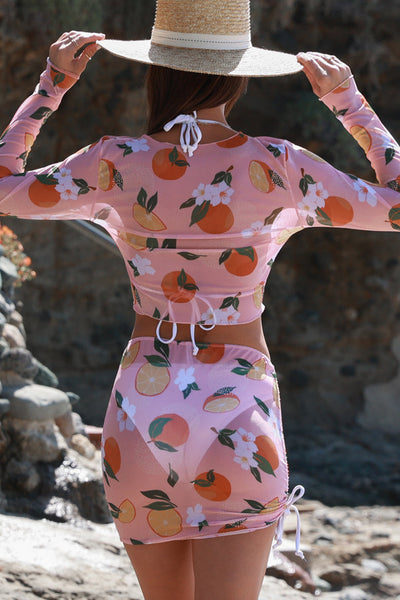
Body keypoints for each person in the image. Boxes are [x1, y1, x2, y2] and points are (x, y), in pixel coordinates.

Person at [0, 1, 399, 599]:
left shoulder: (114, 162)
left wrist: (50, 86)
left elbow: (4, 188)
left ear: (155, 73)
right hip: (238, 412)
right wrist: (350, 104)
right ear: (238, 78)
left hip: (140, 414)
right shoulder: (278, 164)